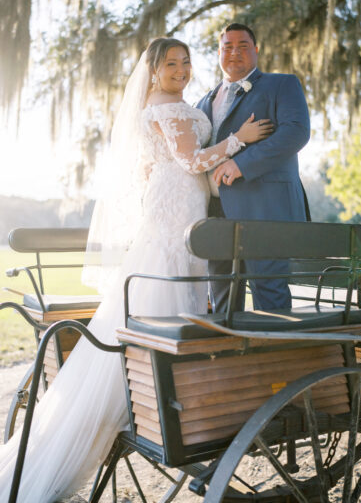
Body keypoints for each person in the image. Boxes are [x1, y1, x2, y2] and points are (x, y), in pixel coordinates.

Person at [0, 37, 271, 502]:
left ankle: (164, 389)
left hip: (177, 203)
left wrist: (191, 181)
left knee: (173, 287)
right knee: (166, 290)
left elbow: (160, 168)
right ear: (153, 69)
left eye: (186, 62)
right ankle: (159, 394)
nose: (182, 70)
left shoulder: (163, 106)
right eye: (171, 63)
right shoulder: (168, 109)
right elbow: (190, 160)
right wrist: (237, 141)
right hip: (176, 212)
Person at [198, 23, 310, 313]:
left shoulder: (281, 85)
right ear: (219, 52)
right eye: (227, 46)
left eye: (243, 45)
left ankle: (275, 354)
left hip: (266, 210)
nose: (234, 52)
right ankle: (229, 354)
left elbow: (296, 132)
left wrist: (242, 163)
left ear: (256, 50)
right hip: (215, 212)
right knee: (221, 295)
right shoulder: (203, 101)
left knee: (269, 291)